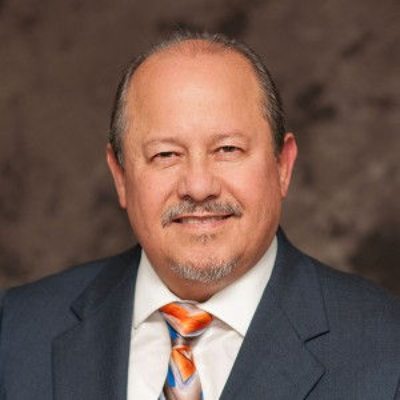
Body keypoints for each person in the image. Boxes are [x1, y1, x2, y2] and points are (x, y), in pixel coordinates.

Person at [1, 31, 400, 400]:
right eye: (165, 154)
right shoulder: (16, 332)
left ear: (283, 165)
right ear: (120, 176)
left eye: (228, 149)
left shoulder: (386, 348)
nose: (198, 186)